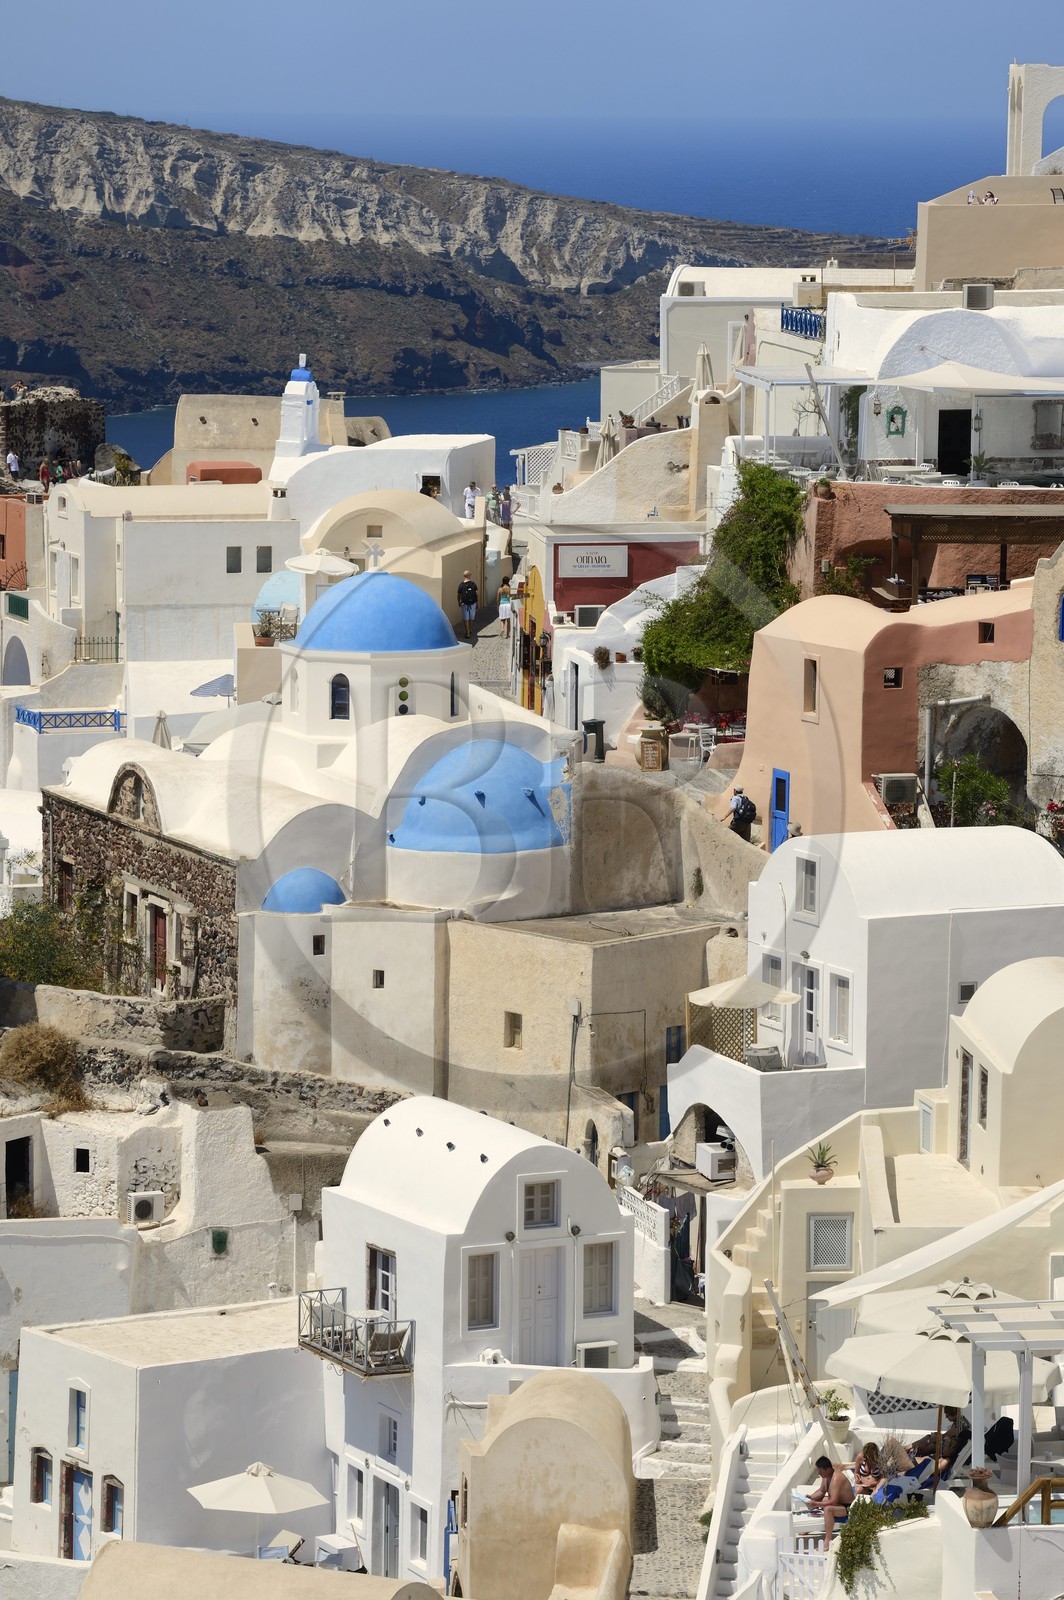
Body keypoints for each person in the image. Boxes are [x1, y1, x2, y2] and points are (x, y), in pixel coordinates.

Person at [803, 1456, 854, 1549]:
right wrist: (811, 1497)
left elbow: (833, 1502)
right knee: (818, 1500)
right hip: (838, 1503)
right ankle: (808, 1527)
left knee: (828, 1509)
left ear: (828, 1470)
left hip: (848, 1507)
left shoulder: (836, 1478)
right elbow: (822, 1491)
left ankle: (827, 1540)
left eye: (820, 1471)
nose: (819, 1473)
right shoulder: (826, 1475)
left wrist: (816, 1504)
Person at [457, 570, 479, 639]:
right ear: (469, 575)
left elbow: (458, 595)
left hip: (464, 604)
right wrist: (477, 603)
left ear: (464, 576)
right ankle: (470, 629)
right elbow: (476, 594)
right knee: (471, 618)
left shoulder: (461, 585)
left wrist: (458, 602)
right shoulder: (473, 584)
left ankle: (467, 633)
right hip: (472, 603)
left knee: (465, 619)